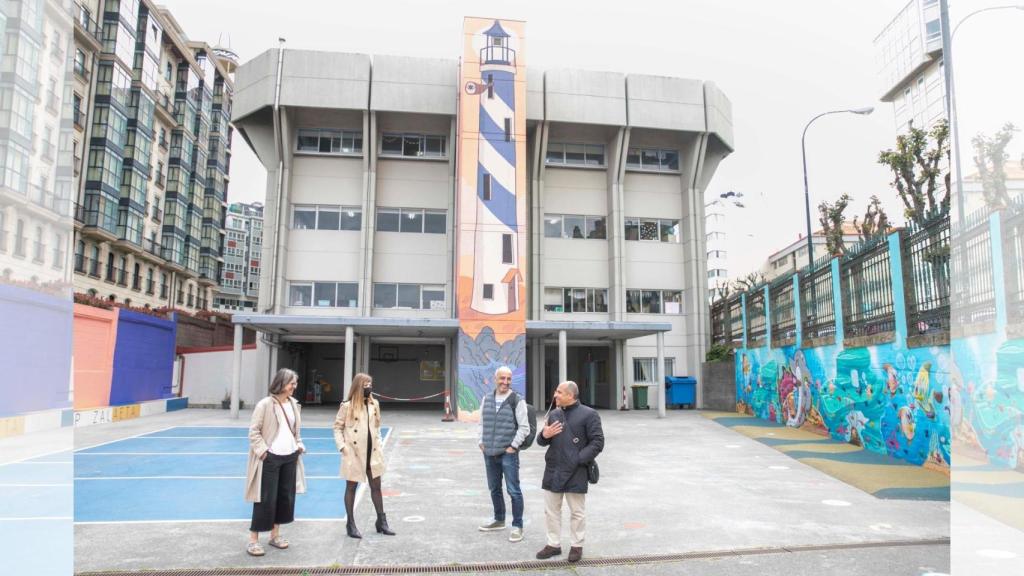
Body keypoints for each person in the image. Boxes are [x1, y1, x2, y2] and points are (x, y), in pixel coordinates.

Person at [535, 381, 604, 563]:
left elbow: (597, 442)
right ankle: (553, 545)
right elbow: (542, 442)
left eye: (559, 392)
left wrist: (578, 460)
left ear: (571, 395)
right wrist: (544, 435)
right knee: (551, 511)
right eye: (556, 391)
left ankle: (576, 546)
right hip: (553, 468)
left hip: (576, 470)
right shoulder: (554, 414)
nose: (555, 394)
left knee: (577, 512)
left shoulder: (589, 414)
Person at [245, 368, 307, 557]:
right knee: (264, 498)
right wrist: (264, 453)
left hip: (290, 457)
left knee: (284, 498)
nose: (294, 387)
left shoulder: (294, 405)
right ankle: (253, 540)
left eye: (295, 384)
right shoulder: (264, 405)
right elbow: (254, 432)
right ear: (281, 384)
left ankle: (275, 535)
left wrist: (298, 444)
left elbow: (295, 431)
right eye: (291, 384)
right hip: (270, 458)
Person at [333, 372, 395, 538]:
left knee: (376, 487)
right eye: (366, 385)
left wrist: (380, 445)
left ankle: (381, 521)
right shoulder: (347, 406)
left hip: (372, 452)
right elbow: (337, 427)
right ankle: (351, 524)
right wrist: (342, 447)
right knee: (351, 487)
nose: (369, 387)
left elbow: (377, 427)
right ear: (358, 386)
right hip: (354, 453)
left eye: (370, 384)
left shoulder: (374, 404)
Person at [477, 366, 530, 543]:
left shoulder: (517, 400)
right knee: (494, 488)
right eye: (502, 378)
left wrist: (513, 447)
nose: (505, 382)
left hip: (508, 452)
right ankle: (499, 520)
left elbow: (524, 427)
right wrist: (480, 442)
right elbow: (481, 423)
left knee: (513, 490)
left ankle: (517, 526)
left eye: (508, 379)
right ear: (495, 379)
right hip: (489, 452)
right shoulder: (487, 398)